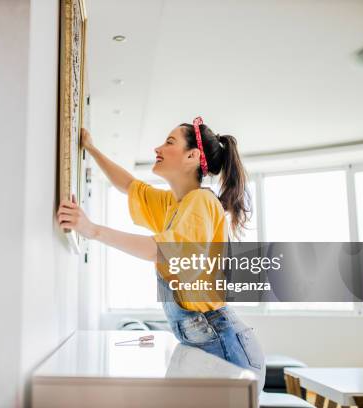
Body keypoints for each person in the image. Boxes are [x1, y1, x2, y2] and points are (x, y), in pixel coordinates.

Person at [56, 118, 266, 393]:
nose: (158, 147)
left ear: (192, 156)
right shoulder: (174, 205)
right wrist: (91, 150)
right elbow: (130, 186)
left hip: (222, 346)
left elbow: (164, 252)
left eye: (169, 142)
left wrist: (92, 230)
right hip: (205, 339)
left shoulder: (201, 202)